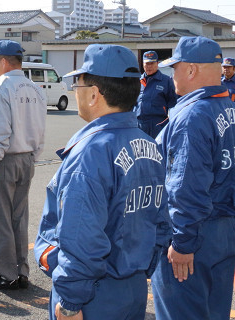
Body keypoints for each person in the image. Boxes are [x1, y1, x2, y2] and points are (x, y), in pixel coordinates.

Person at [34, 44, 171, 320]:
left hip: (93, 296)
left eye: (79, 83)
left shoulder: (91, 152)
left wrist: (71, 302)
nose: (75, 90)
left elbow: (81, 237)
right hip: (131, 288)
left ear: (94, 94)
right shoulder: (148, 144)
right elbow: (161, 224)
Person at [151, 36, 235, 320]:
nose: (171, 74)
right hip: (225, 231)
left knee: (182, 312)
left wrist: (183, 243)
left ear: (191, 70)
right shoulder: (230, 107)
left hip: (195, 235)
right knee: (214, 312)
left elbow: (186, 186)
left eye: (175, 67)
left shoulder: (192, 116)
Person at [0, 40, 46, 290]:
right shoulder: (35, 89)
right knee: (19, 217)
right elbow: (40, 130)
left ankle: (4, 275)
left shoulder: (0, 87)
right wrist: (33, 156)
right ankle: (21, 271)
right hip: (27, 158)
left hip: (4, 158)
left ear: (4, 61)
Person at [133, 50, 177, 138]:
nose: (149, 66)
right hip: (139, 126)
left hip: (158, 126)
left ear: (157, 63)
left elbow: (173, 105)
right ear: (142, 64)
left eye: (152, 63)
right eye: (147, 63)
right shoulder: (137, 82)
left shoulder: (166, 81)